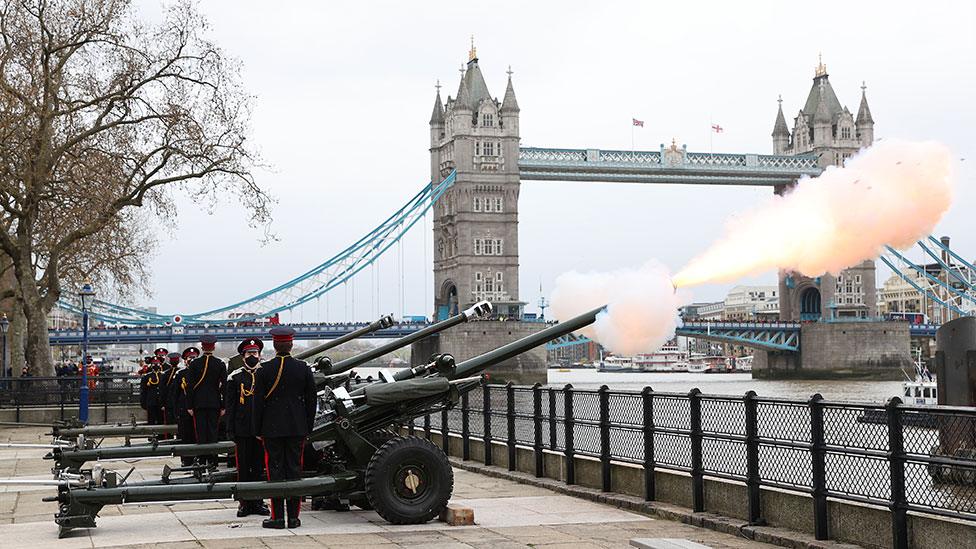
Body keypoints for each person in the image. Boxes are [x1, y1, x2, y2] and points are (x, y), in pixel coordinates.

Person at [253, 327, 316, 530]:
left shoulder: (264, 370)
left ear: (274, 344)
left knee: (275, 471)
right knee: (295, 470)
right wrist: (307, 426)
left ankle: (278, 517)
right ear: (291, 344)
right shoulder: (303, 368)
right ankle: (294, 518)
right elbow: (311, 401)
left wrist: (257, 429)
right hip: (297, 427)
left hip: (271, 428)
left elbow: (257, 403)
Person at [225, 337, 270, 517]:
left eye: (255, 353)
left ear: (260, 355)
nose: (252, 356)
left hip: (260, 430)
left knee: (259, 468)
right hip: (242, 429)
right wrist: (230, 429)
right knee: (243, 468)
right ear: (243, 356)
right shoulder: (234, 377)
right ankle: (244, 503)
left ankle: (258, 502)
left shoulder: (265, 374)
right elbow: (230, 406)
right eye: (249, 353)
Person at [186, 335, 226, 467]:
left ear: (202, 347)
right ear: (213, 347)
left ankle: (202, 461)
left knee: (201, 434)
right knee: (213, 433)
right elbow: (224, 386)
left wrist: (189, 405)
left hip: (199, 403)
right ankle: (213, 461)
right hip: (214, 403)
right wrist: (223, 405)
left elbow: (190, 386)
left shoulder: (195, 364)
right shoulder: (219, 363)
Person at [171, 347, 199, 464]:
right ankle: (186, 460)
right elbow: (175, 394)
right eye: (190, 358)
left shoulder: (201, 372)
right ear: (185, 360)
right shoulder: (180, 374)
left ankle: (199, 459)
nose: (192, 360)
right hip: (184, 411)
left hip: (198, 410)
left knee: (198, 437)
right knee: (186, 437)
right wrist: (176, 412)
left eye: (194, 358)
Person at [139, 357, 165, 425]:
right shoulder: (147, 376)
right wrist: (143, 403)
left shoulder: (164, 375)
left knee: (161, 420)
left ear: (160, 364)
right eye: (154, 364)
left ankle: (161, 435)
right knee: (151, 420)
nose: (156, 365)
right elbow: (143, 391)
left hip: (161, 402)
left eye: (157, 363)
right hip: (151, 402)